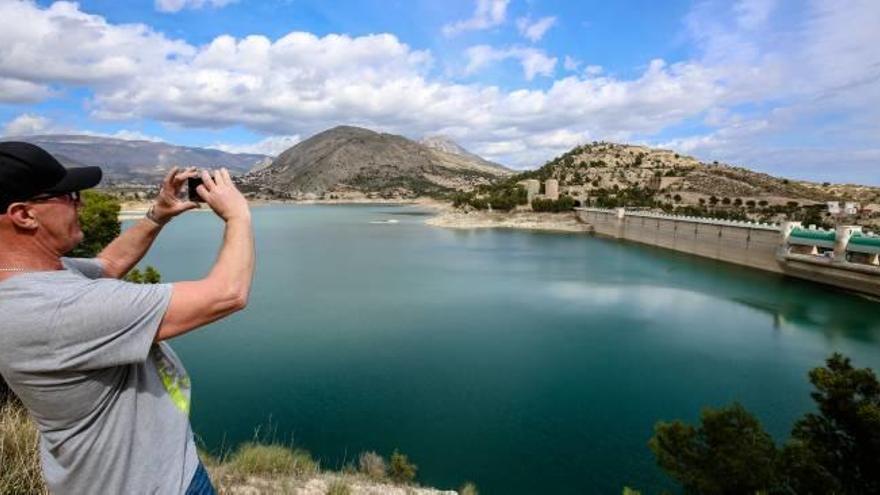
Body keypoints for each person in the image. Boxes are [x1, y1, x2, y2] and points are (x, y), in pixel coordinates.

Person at [0, 142, 255, 494]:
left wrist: (157, 215)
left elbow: (109, 265)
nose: (81, 203)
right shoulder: (59, 308)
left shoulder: (27, 280)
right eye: (69, 195)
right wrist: (237, 215)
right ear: (24, 215)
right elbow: (228, 293)